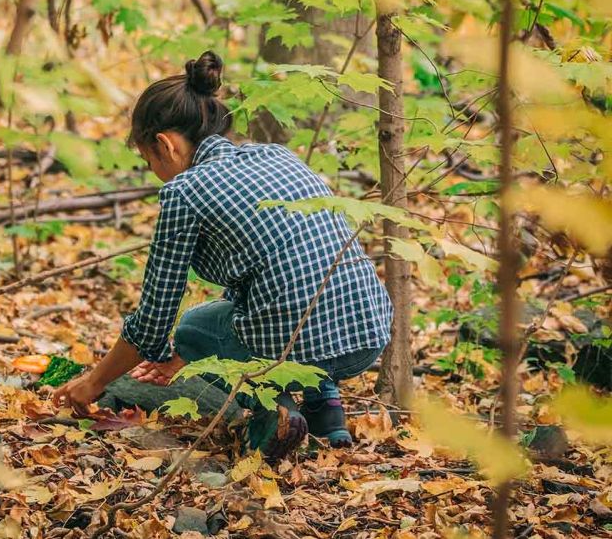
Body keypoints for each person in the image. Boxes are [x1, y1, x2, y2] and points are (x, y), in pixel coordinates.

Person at [53, 51, 392, 459]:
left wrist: (93, 382)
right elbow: (270, 274)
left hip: (301, 341)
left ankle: (275, 414)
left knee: (195, 327)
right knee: (297, 300)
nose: (154, 171)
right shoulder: (276, 156)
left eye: (149, 161)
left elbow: (154, 321)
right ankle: (327, 414)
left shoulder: (185, 191)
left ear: (165, 144)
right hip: (369, 330)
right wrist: (179, 361)